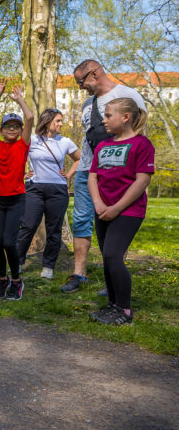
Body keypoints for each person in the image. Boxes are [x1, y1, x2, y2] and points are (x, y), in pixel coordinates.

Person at [61, 60, 147, 294]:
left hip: (118, 170)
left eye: (81, 82)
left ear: (95, 73)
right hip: (87, 169)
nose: (80, 88)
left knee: (117, 219)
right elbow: (89, 136)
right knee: (81, 219)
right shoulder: (87, 104)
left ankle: (114, 275)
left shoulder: (128, 95)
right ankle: (79, 273)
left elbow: (139, 133)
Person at [88, 98, 154, 325]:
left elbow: (142, 180)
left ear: (125, 117)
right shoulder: (102, 145)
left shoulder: (142, 144)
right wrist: (98, 204)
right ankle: (112, 306)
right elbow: (93, 176)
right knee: (107, 259)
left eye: (108, 116)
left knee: (113, 255)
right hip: (102, 210)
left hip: (128, 211)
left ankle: (124, 310)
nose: (104, 120)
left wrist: (117, 208)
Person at [0, 79, 35, 300]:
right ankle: (2, 279)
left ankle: (16, 281)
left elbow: (30, 117)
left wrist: (19, 99)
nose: (12, 129)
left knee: (9, 242)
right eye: (8, 126)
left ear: (21, 131)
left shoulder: (23, 145)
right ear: (2, 130)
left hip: (16, 199)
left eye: (16, 126)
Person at [15, 108, 81, 279]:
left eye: (61, 121)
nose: (61, 124)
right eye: (58, 121)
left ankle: (48, 267)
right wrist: (22, 175)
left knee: (54, 230)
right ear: (47, 121)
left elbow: (80, 159)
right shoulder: (32, 139)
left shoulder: (65, 142)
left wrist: (69, 174)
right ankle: (18, 262)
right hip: (34, 188)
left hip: (58, 190)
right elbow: (16, 156)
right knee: (28, 225)